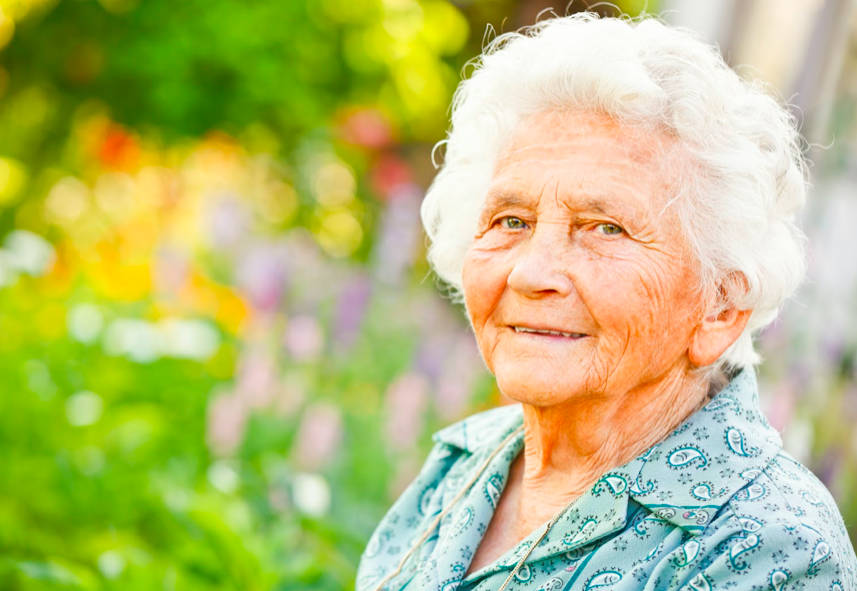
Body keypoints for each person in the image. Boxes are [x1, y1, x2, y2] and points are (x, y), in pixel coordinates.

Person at [356, 13, 857, 591]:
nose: (532, 273)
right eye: (510, 220)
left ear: (720, 306)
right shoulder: (466, 463)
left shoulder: (772, 548)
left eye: (604, 228)